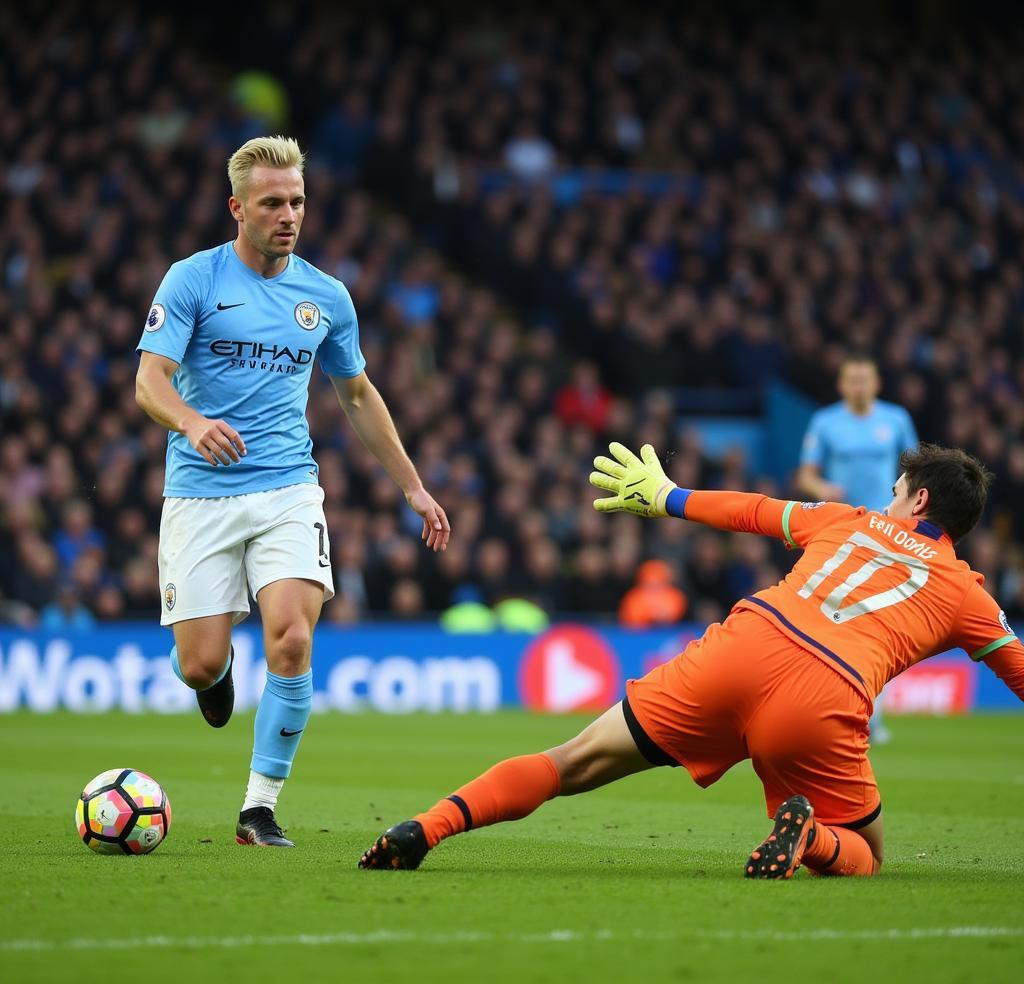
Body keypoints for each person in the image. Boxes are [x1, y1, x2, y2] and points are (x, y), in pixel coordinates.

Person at [359, 441, 1022, 878]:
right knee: (866, 854)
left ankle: (430, 825)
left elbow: (755, 511)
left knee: (573, 760)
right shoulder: (967, 594)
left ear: (921, 501)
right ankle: (811, 838)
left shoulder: (846, 520)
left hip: (744, 646)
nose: (889, 503)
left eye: (898, 493)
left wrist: (666, 496)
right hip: (825, 697)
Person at [135, 137, 450, 847]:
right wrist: (191, 421)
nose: (288, 214)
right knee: (202, 663)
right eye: (273, 202)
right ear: (237, 208)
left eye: (298, 201)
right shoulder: (191, 279)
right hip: (199, 493)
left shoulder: (326, 296)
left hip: (287, 488)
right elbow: (149, 381)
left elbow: (359, 395)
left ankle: (258, 809)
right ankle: (214, 682)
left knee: (293, 637)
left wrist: (414, 488)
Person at [797, 353, 919, 742]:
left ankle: (872, 715)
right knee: (831, 617)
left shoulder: (896, 419)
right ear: (842, 385)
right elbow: (806, 475)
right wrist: (822, 491)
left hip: (890, 532)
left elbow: (918, 472)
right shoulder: (825, 422)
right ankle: (828, 708)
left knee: (880, 621)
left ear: (877, 383)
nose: (859, 386)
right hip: (843, 530)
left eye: (865, 379)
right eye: (852, 380)